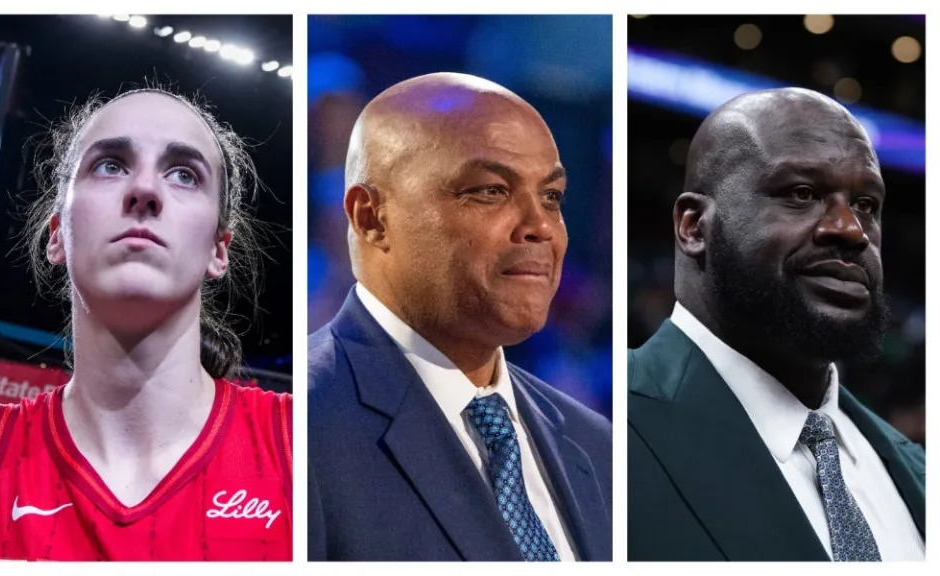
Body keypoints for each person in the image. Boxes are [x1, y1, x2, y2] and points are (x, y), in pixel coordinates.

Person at [307, 72, 612, 561]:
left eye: (552, 197)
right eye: (491, 190)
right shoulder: (295, 428)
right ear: (371, 217)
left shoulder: (596, 445)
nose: (540, 227)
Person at [0, 88, 292, 561]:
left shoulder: (301, 445)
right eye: (110, 164)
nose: (146, 192)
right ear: (57, 235)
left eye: (183, 175)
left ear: (220, 250)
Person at [628, 87, 924, 561]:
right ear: (693, 226)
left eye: (867, 204)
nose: (850, 230)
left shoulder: (917, 472)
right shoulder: (605, 433)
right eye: (802, 194)